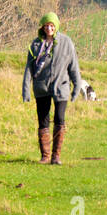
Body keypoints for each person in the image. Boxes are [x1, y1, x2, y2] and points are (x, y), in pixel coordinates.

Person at [21, 11, 81, 165]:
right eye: (46, 25)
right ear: (42, 27)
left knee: (60, 119)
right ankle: (45, 156)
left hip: (61, 88)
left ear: (56, 26)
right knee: (43, 121)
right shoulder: (35, 45)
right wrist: (26, 90)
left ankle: (56, 156)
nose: (49, 28)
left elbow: (73, 67)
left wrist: (76, 87)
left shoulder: (67, 42)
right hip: (41, 88)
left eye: (52, 25)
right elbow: (29, 69)